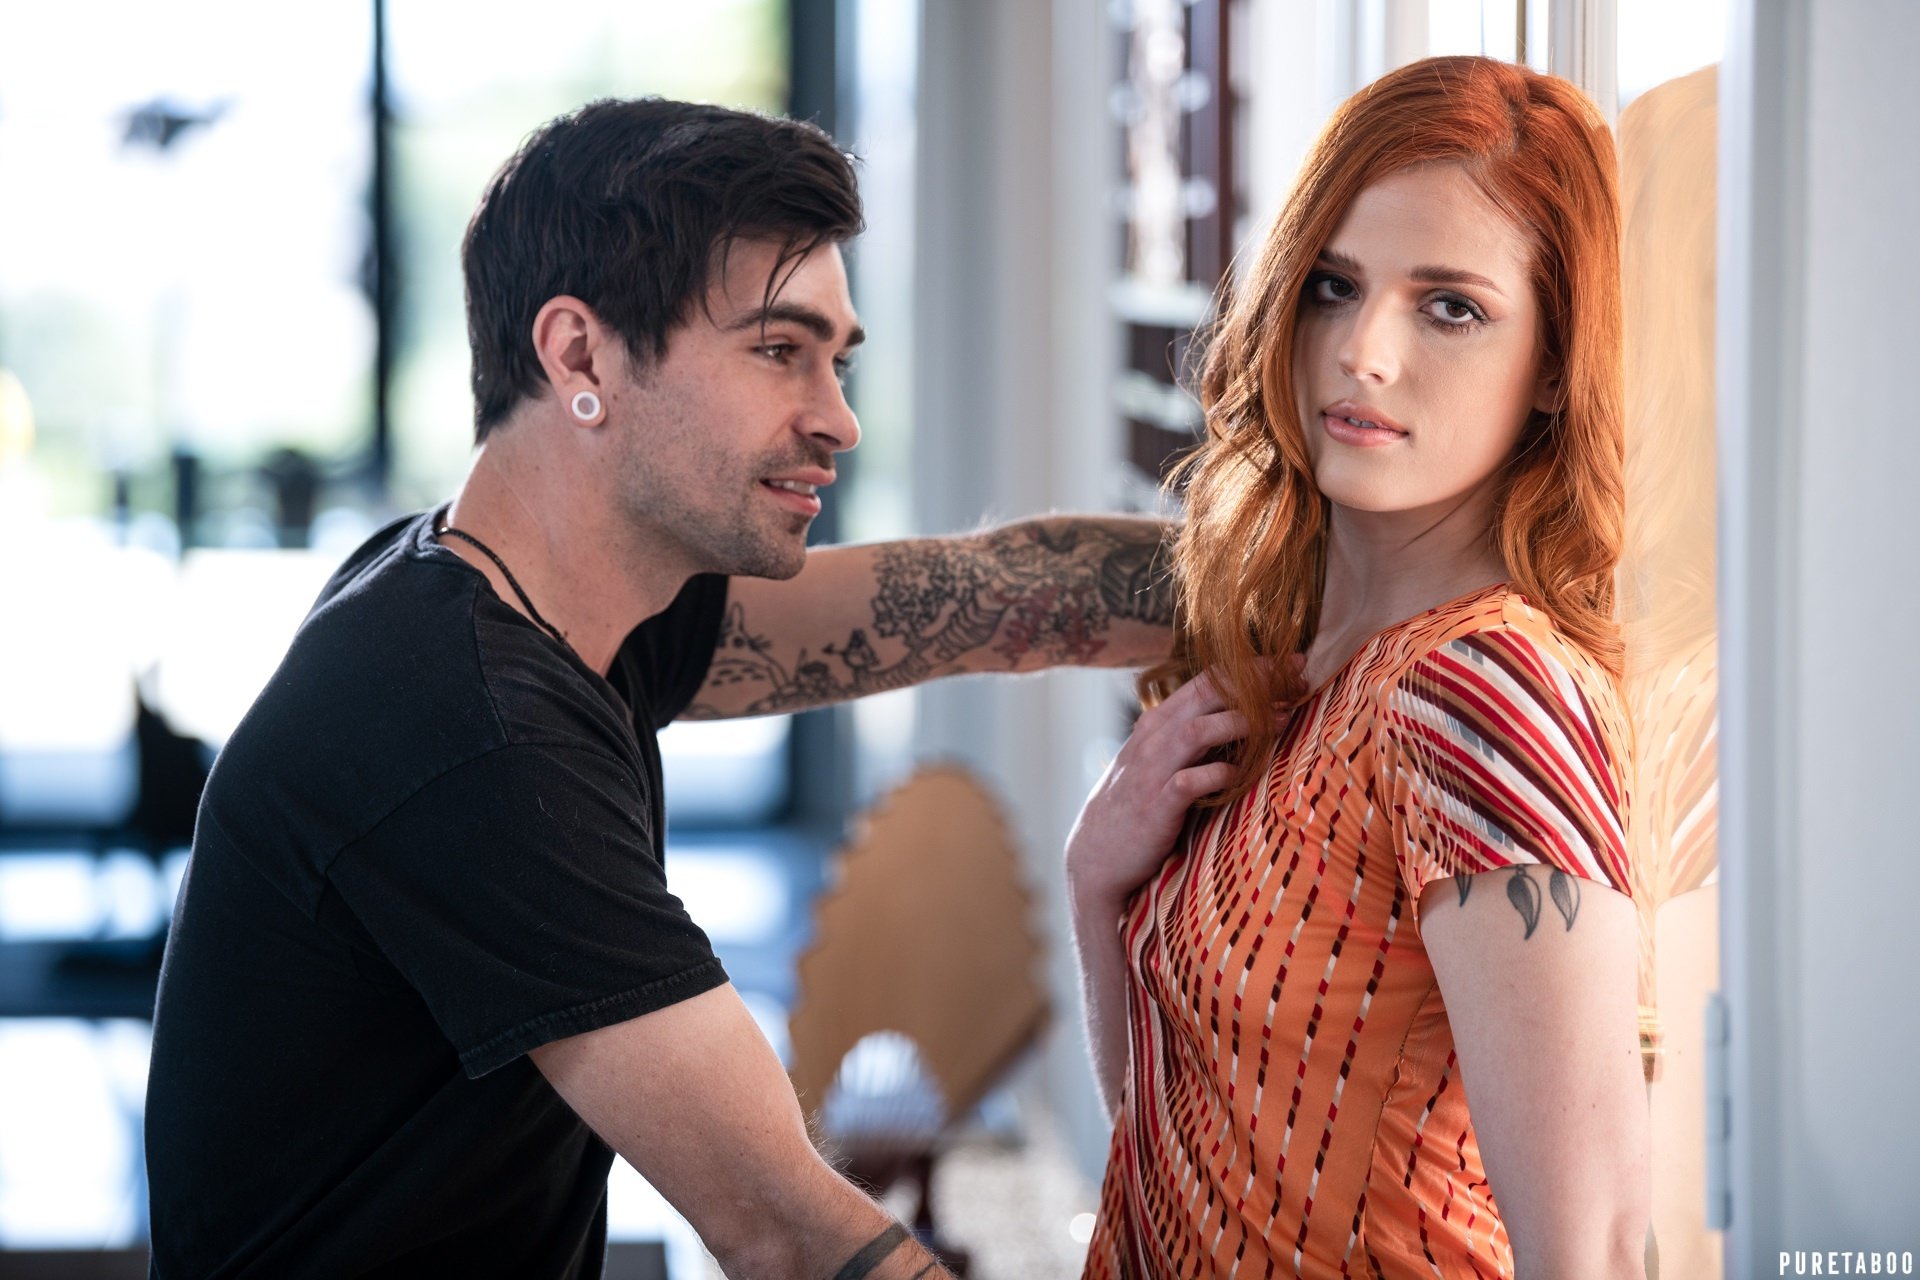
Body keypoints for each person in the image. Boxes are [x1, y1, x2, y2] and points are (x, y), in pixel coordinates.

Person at [144, 98, 1174, 1278]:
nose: (838, 418)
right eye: (779, 350)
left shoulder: (526, 593)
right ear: (581, 356)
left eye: (837, 360)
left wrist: (1310, 568)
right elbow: (789, 1234)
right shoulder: (468, 729)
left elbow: (988, 599)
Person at [1067, 56, 1647, 1278]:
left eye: (1452, 307)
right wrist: (1093, 883)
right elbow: (1179, 1128)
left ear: (1553, 362)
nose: (1364, 352)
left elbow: (1591, 1244)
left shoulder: (1484, 692)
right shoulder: (1294, 659)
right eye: (1335, 286)